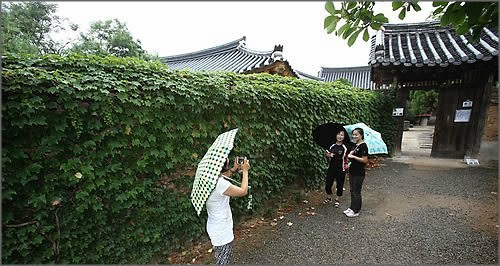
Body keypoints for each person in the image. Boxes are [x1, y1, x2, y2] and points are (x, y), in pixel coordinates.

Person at [206, 156, 250, 264]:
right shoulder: (220, 184)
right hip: (222, 230)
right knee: (223, 262)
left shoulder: (209, 178)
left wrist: (233, 170)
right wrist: (245, 171)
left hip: (214, 226)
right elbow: (243, 191)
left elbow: (222, 176)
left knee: (222, 259)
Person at [344, 127, 368, 218]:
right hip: (352, 170)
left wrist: (353, 157)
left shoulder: (363, 146)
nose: (354, 136)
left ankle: (356, 210)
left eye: (356, 134)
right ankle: (351, 207)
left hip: (359, 172)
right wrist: (350, 160)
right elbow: (352, 158)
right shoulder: (355, 145)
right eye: (353, 134)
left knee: (356, 191)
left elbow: (365, 160)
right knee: (352, 190)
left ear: (361, 135)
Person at [324, 129, 350, 208]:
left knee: (340, 185)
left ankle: (337, 199)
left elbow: (350, 157)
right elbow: (326, 153)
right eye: (338, 134)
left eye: (342, 135)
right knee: (328, 184)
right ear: (336, 135)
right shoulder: (331, 145)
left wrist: (348, 164)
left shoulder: (345, 147)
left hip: (341, 169)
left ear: (344, 137)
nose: (340, 136)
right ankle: (329, 197)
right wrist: (329, 155)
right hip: (331, 168)